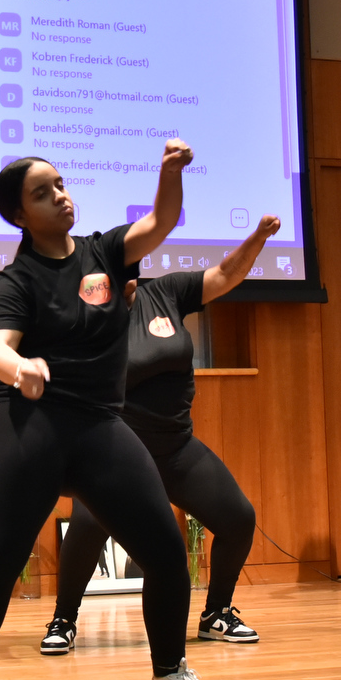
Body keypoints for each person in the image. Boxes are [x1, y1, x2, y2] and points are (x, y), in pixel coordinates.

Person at [0, 141, 227, 680]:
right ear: (19, 215)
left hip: (97, 423)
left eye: (60, 184)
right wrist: (22, 369)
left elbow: (160, 222)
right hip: (25, 421)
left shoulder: (105, 252)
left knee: (166, 551)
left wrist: (168, 172)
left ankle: (169, 676)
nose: (60, 196)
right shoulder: (17, 279)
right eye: (43, 192)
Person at [40, 215, 281, 655]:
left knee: (239, 519)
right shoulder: (86, 316)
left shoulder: (166, 292)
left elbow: (226, 274)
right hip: (117, 455)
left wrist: (258, 238)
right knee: (88, 523)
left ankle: (217, 614)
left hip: (175, 447)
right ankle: (63, 619)